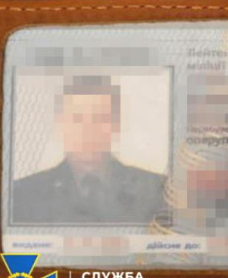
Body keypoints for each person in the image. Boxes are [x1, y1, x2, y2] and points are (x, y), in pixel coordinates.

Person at [11, 75, 166, 225]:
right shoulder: (23, 195)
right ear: (60, 124)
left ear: (115, 124)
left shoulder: (157, 191)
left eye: (99, 118)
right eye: (77, 119)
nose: (88, 130)